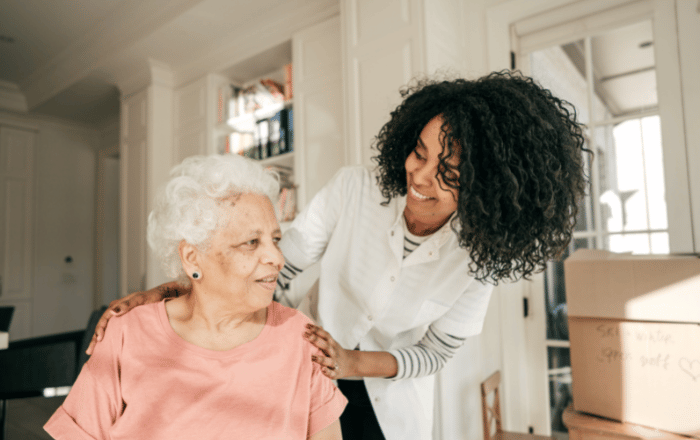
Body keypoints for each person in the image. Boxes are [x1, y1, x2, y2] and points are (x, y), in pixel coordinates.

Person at [87, 70, 588, 439]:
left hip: (389, 399)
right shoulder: (354, 190)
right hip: (302, 364)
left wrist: (353, 362)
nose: (419, 177)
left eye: (449, 174)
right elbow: (279, 269)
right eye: (419, 152)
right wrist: (182, 292)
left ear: (487, 189)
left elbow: (436, 352)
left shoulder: (478, 259)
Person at [46, 155, 347, 440]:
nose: (277, 258)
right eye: (251, 242)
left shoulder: (300, 336)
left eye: (275, 240)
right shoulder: (127, 332)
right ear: (192, 257)